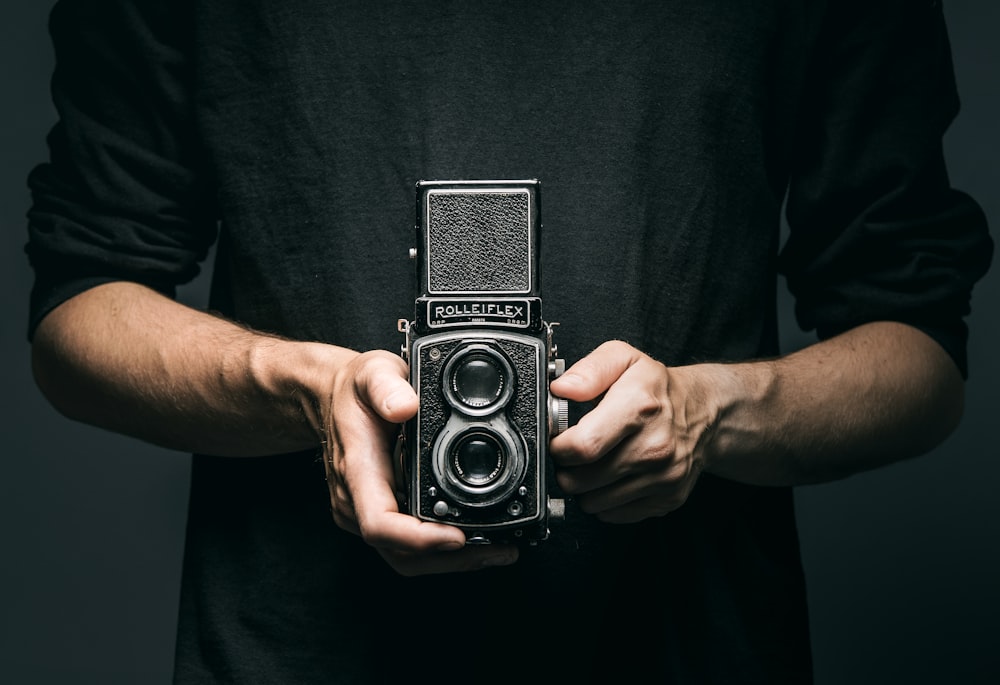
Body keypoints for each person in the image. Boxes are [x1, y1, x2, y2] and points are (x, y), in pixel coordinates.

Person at [24, 1, 992, 683]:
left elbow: (919, 360)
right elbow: (78, 313)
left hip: (683, 647)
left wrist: (707, 413)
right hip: (297, 651)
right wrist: (304, 389)